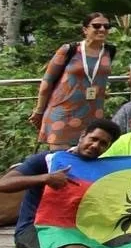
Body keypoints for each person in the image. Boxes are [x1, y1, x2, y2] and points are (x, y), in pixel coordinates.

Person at [0, 118, 125, 248]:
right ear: (82, 136)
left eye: (103, 144)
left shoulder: (103, 169)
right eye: (93, 139)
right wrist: (45, 178)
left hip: (79, 227)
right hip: (35, 227)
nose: (95, 146)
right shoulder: (49, 159)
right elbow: (3, 184)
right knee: (57, 241)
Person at [30, 12, 115, 150]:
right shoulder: (69, 50)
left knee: (87, 157)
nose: (102, 29)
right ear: (85, 29)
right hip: (65, 112)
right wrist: (39, 110)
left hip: (92, 114)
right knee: (61, 159)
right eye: (97, 26)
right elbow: (47, 81)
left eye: (106, 26)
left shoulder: (109, 51)